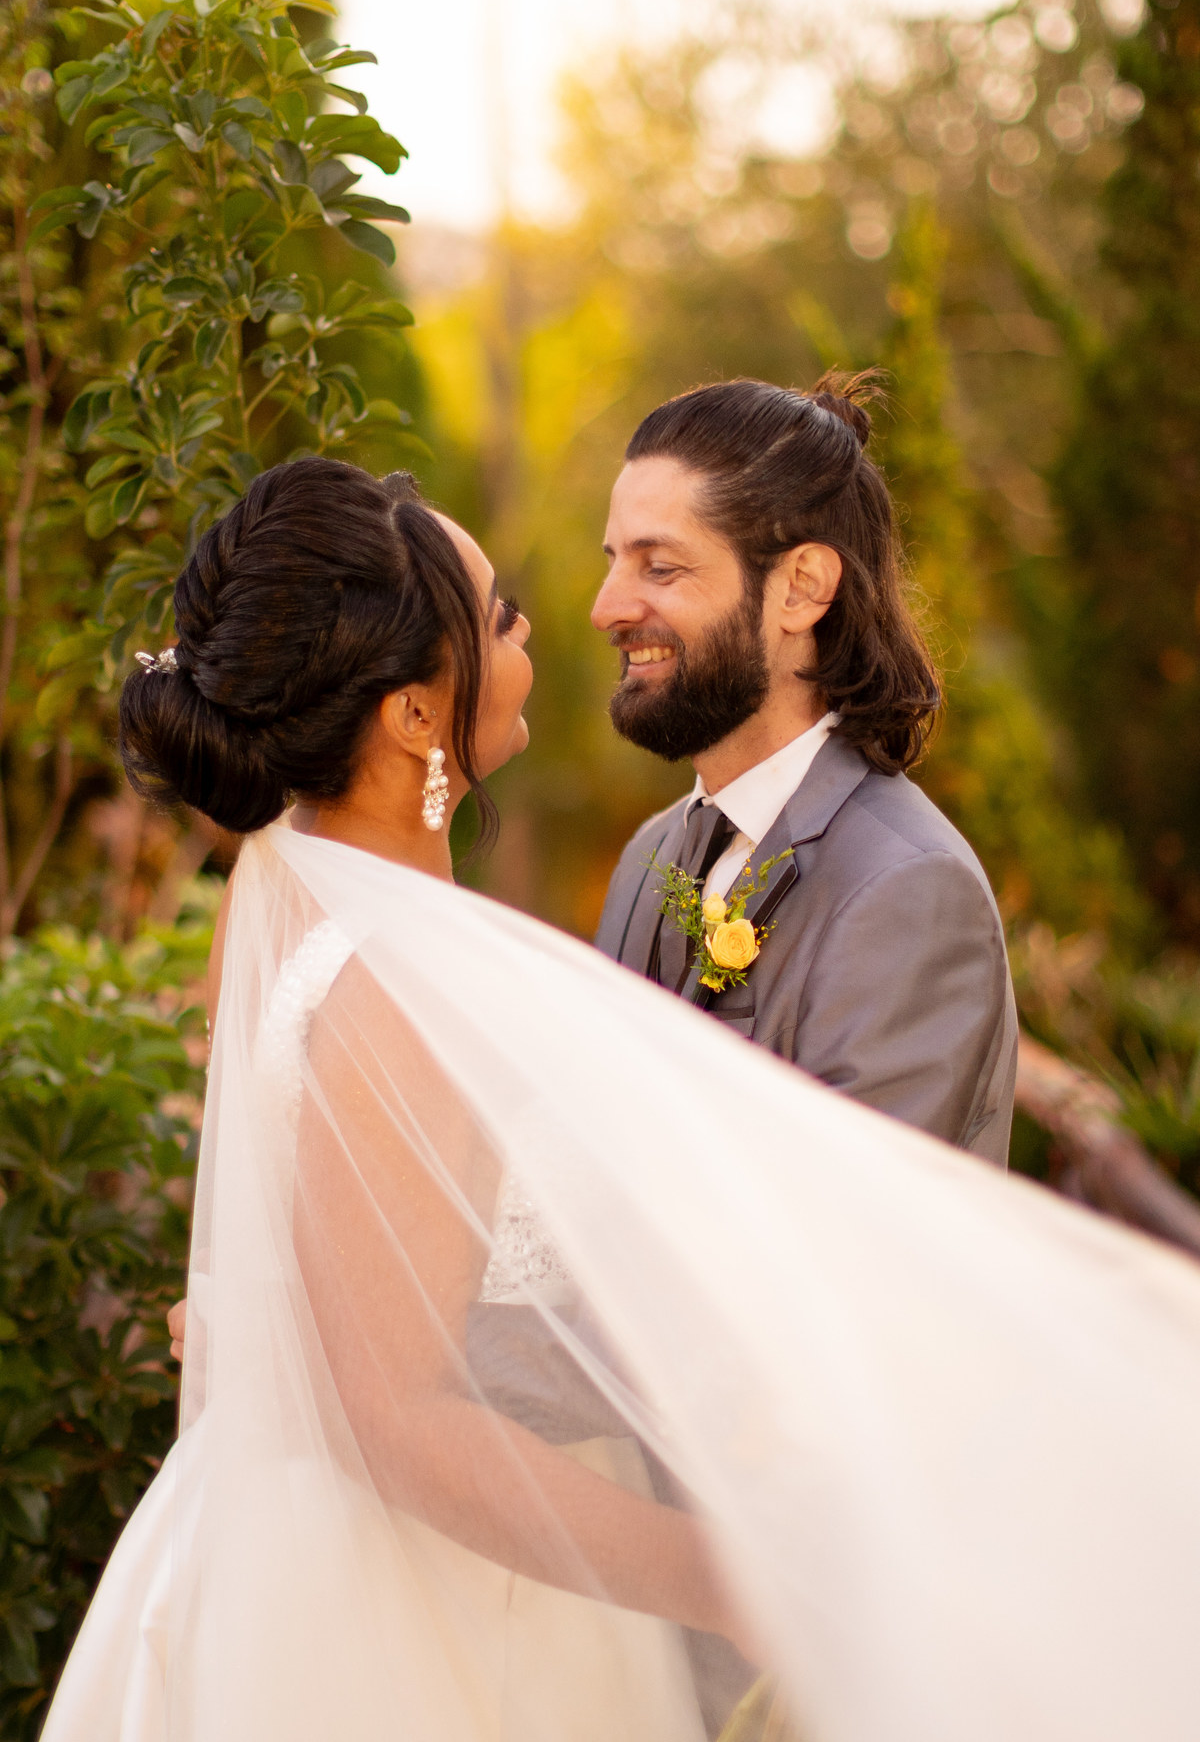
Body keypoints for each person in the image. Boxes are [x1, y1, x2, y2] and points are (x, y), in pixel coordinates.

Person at [42, 456, 1200, 1742]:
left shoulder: (299, 917)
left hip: (380, 1551)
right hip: (420, 1607)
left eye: (647, 566)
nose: (559, 623)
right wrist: (738, 1580)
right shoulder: (400, 980)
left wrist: (278, 1328)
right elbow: (395, 1414)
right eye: (501, 618)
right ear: (419, 718)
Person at [594, 375, 1016, 1166]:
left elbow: (850, 1244)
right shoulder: (645, 861)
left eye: (660, 568)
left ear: (801, 589)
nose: (607, 607)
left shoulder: (909, 889)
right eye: (616, 561)